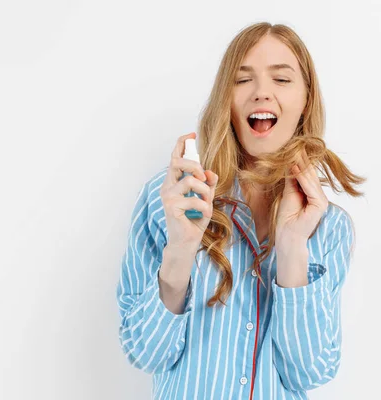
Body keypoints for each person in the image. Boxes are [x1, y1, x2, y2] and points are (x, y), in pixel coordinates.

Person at [116, 22, 366, 400]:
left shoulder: (330, 227)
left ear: (306, 100)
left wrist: (293, 245)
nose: (261, 92)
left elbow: (309, 372)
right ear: (225, 100)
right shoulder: (168, 200)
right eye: (242, 79)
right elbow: (145, 353)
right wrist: (181, 250)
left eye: (282, 79)